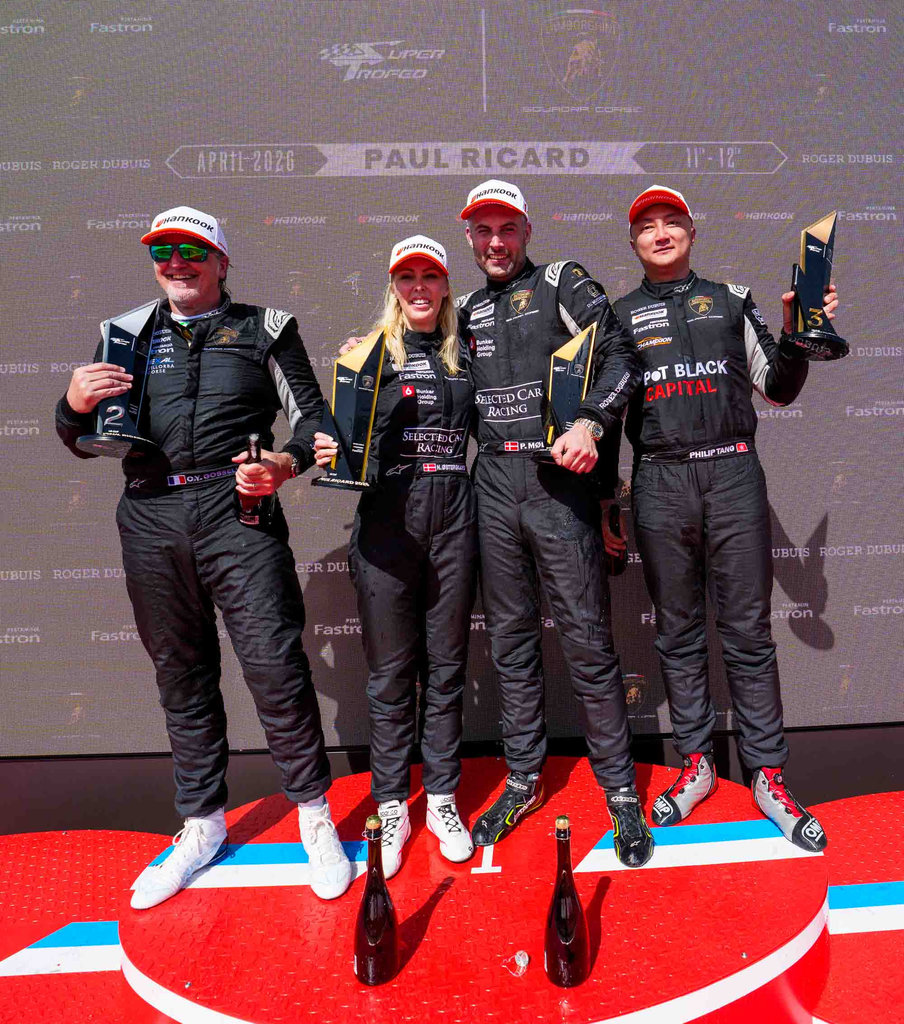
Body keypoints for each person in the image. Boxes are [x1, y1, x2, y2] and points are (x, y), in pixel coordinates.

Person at [55, 205, 352, 906]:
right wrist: (71, 405)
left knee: (274, 667)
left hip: (236, 508)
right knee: (181, 673)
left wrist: (282, 464)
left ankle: (314, 816)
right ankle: (201, 824)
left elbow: (316, 421)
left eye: (192, 251)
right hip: (150, 513)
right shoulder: (125, 332)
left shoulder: (265, 327)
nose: (176, 263)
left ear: (221, 261)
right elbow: (82, 436)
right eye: (163, 252)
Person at [607, 185, 834, 851]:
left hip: (733, 472)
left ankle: (768, 775)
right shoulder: (618, 316)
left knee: (747, 633)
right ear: (633, 243)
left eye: (671, 221)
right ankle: (697, 765)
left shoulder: (733, 299)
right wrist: (607, 503)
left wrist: (799, 335)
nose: (660, 233)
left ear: (691, 231)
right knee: (677, 633)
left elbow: (780, 387)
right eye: (646, 226)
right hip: (660, 479)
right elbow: (608, 416)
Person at [456, 180, 653, 867]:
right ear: (471, 239)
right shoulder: (465, 309)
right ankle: (522, 781)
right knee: (510, 644)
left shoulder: (561, 281)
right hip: (493, 485)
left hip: (555, 484)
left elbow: (622, 355)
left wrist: (591, 424)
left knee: (588, 643)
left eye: (506, 228)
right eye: (483, 231)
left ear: (526, 231)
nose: (496, 242)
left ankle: (620, 792)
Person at [314, 236, 476, 877]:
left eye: (429, 276)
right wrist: (334, 434)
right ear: (393, 287)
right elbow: (337, 441)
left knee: (447, 668)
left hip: (455, 519)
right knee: (389, 675)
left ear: (445, 285)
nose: (418, 287)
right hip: (388, 522)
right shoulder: (366, 355)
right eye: (406, 277)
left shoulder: (467, 353)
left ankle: (441, 799)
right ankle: (391, 804)